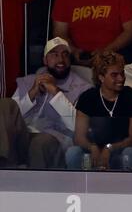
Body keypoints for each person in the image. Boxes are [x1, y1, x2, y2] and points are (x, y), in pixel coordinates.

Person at [0, 37, 92, 168]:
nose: (60, 60)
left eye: (65, 54)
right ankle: (3, 165)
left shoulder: (83, 88)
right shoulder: (28, 81)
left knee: (40, 142)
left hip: (53, 139)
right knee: (4, 104)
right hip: (24, 136)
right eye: (54, 54)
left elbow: (77, 127)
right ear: (45, 60)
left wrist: (55, 93)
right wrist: (32, 93)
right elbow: (12, 115)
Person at [65, 51, 132, 170]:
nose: (121, 78)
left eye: (122, 73)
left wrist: (110, 148)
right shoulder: (87, 98)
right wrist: (92, 147)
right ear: (101, 77)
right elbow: (79, 137)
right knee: (73, 152)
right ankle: (78, 187)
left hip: (121, 150)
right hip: (94, 152)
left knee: (131, 153)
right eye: (114, 75)